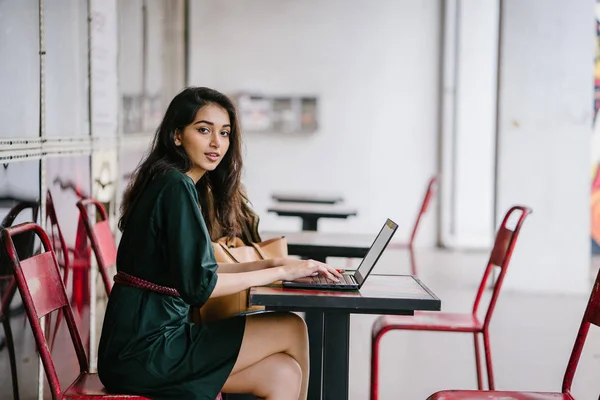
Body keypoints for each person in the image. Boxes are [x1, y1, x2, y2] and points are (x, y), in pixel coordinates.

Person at [97, 87, 341, 400]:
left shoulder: (173, 183)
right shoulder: (175, 186)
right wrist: (281, 274)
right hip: (148, 349)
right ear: (176, 136)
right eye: (203, 130)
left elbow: (200, 271)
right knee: (292, 327)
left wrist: (277, 264)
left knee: (282, 374)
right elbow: (201, 288)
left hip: (142, 343)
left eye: (224, 133)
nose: (217, 143)